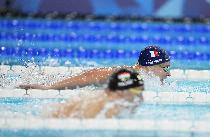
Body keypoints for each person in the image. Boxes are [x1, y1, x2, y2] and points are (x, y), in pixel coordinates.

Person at [19, 45, 171, 90]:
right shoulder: (130, 74)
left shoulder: (143, 77)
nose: (168, 74)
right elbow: (92, 75)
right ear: (150, 67)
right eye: (165, 68)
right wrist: (50, 88)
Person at [51, 68, 144, 118]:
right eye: (138, 92)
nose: (141, 98)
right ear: (121, 91)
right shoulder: (106, 108)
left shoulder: (108, 101)